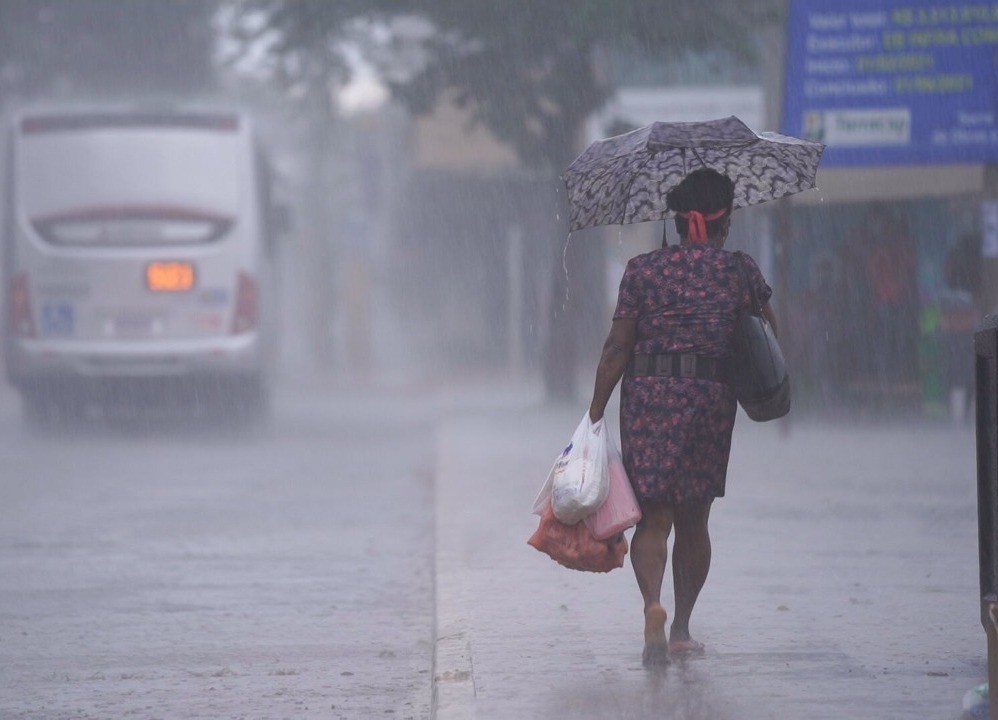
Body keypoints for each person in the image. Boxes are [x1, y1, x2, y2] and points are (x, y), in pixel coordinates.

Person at [586, 169, 777, 667]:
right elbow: (767, 337)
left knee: (653, 517)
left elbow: (617, 346)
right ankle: (682, 630)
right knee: (695, 517)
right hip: (709, 399)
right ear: (725, 222)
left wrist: (594, 410)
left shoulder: (642, 270)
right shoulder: (738, 271)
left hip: (648, 397)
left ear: (674, 219)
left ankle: (653, 605)